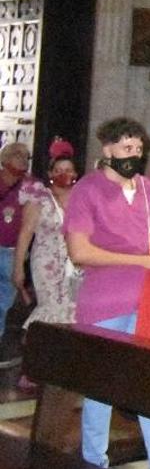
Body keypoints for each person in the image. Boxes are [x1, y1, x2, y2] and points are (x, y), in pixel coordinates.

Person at [63, 117, 150, 469]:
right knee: (100, 389)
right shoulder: (87, 190)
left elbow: (148, 234)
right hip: (104, 300)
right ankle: (94, 462)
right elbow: (80, 251)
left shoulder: (146, 188)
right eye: (127, 149)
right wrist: (140, 259)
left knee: (148, 382)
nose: (134, 156)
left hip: (143, 297)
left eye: (139, 150)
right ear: (107, 149)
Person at [11, 138, 80, 328]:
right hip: (47, 261)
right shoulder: (39, 197)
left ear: (75, 173)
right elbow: (25, 233)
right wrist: (18, 268)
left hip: (75, 261)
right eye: (58, 171)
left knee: (73, 307)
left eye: (68, 170)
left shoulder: (82, 198)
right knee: (51, 306)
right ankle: (38, 342)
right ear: (50, 173)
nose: (63, 174)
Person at [0, 141, 37, 368]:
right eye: (16, 155)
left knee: (3, 301)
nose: (21, 160)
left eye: (25, 156)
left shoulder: (31, 186)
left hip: (12, 251)